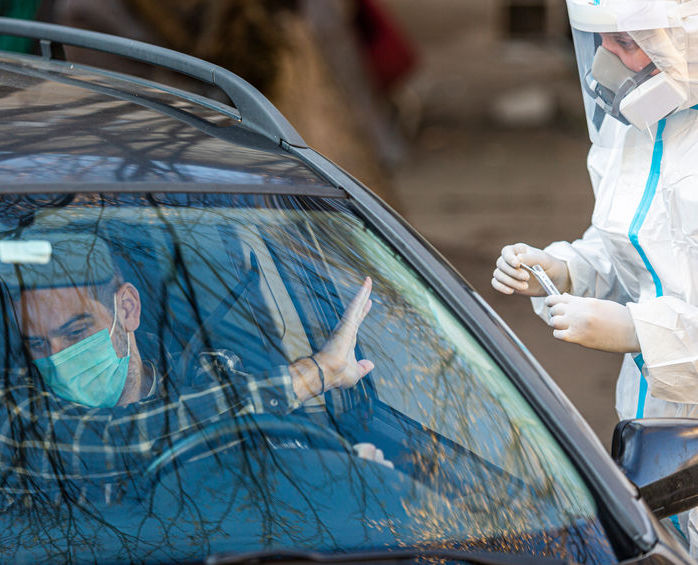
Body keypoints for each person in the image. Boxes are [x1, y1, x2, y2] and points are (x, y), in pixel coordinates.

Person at [491, 0, 698, 552]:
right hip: (653, 437)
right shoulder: (636, 123)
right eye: (600, 37)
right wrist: (565, 268)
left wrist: (637, 332)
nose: (607, 54)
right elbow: (630, 247)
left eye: (627, 40)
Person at [0, 233, 386, 500]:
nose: (56, 357)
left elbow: (281, 469)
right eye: (37, 344)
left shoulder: (211, 377)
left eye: (76, 332)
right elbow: (122, 442)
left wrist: (346, 477)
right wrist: (316, 373)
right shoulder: (18, 413)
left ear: (128, 310)